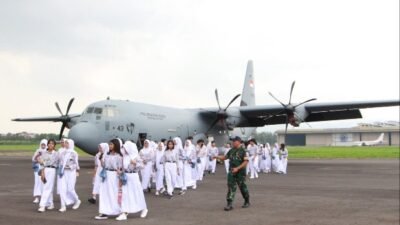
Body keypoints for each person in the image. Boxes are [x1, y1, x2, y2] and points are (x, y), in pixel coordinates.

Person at [214, 136, 250, 211]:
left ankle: (247, 201)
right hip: (232, 171)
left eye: (234, 141)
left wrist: (237, 168)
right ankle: (229, 204)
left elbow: (246, 162)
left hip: (240, 172)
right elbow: (225, 157)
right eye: (232, 141)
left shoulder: (244, 150)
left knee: (242, 187)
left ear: (239, 142)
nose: (232, 142)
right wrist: (216, 157)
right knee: (230, 187)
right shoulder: (231, 150)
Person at [116, 141, 148, 220]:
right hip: (126, 176)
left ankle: (143, 208)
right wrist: (120, 172)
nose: (125, 150)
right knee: (125, 194)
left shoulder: (136, 156)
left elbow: (142, 166)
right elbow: (123, 167)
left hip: (134, 176)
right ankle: (124, 212)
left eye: (126, 148)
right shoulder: (125, 157)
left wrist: (135, 163)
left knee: (137, 193)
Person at [95, 139, 123, 220]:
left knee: (113, 193)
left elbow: (120, 168)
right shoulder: (107, 155)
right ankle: (104, 212)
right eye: (109, 144)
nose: (110, 146)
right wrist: (101, 160)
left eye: (111, 144)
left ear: (116, 145)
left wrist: (119, 171)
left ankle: (117, 211)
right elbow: (104, 166)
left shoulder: (119, 156)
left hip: (114, 176)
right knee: (104, 193)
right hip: (106, 175)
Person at [58, 139, 81, 212]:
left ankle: (77, 200)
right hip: (63, 172)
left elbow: (76, 164)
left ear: (71, 144)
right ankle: (63, 206)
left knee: (70, 189)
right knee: (62, 189)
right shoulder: (63, 153)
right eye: (65, 143)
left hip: (71, 172)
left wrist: (70, 167)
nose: (65, 144)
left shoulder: (74, 153)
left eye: (67, 143)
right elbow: (61, 162)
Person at [37, 139, 59, 212]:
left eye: (52, 144)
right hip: (45, 170)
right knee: (46, 187)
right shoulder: (44, 153)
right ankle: (50, 203)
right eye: (49, 143)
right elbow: (42, 163)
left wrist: (42, 162)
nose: (50, 145)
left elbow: (52, 162)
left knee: (47, 187)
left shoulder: (56, 153)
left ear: (54, 145)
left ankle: (42, 205)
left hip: (52, 170)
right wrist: (42, 172)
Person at [32, 139, 47, 204]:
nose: (43, 146)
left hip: (45, 169)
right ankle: (37, 197)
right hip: (38, 169)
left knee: (44, 183)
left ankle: (44, 197)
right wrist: (37, 158)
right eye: (42, 144)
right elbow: (33, 159)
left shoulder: (48, 151)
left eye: (44, 145)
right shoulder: (38, 151)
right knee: (37, 183)